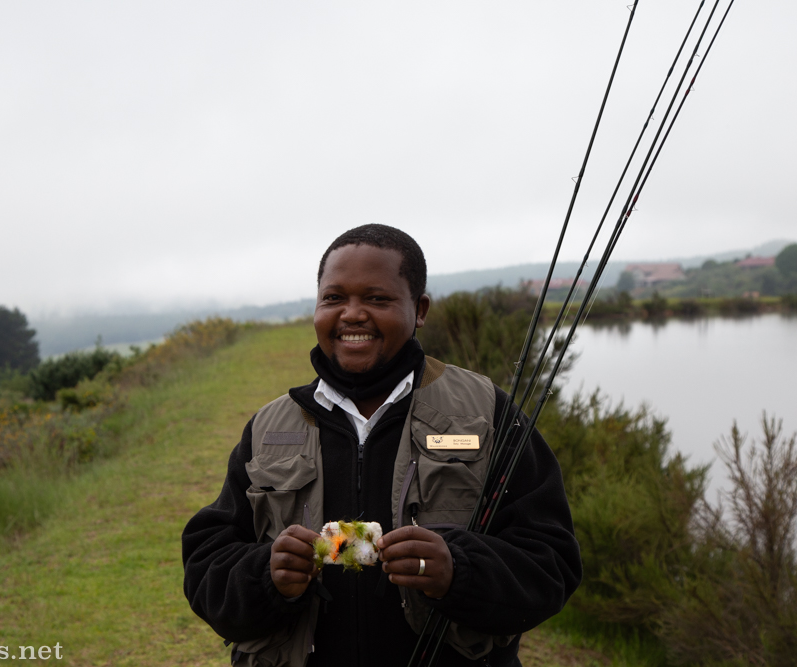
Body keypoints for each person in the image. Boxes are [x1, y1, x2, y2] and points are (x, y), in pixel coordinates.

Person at [182, 224, 581, 667]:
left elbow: (552, 563)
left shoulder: (487, 412)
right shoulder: (267, 428)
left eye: (377, 298)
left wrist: (458, 571)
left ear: (420, 308)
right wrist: (266, 577)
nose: (352, 314)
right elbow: (205, 570)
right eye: (334, 298)